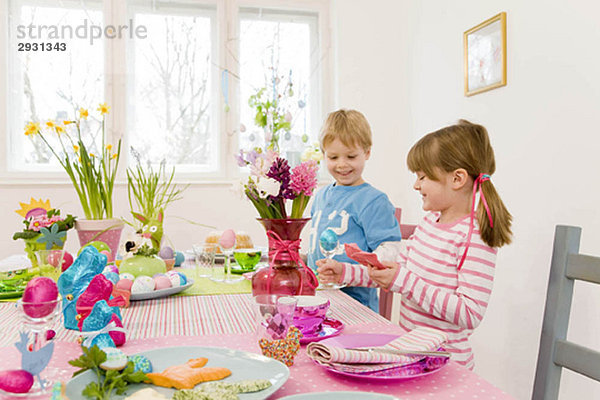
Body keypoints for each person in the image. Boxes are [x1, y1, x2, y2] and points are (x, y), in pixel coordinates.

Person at [317, 120, 512, 369]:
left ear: (457, 178)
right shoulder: (430, 222)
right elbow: (394, 271)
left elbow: (469, 314)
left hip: (445, 365)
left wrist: (406, 282)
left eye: (422, 177)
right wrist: (347, 272)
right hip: (411, 354)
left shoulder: (474, 237)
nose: (416, 185)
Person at [307, 109, 402, 312]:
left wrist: (347, 272)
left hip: (357, 308)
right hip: (318, 302)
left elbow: (389, 253)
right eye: (333, 157)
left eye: (351, 156)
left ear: (367, 152)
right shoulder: (320, 196)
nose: (342, 164)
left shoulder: (374, 201)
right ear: (323, 155)